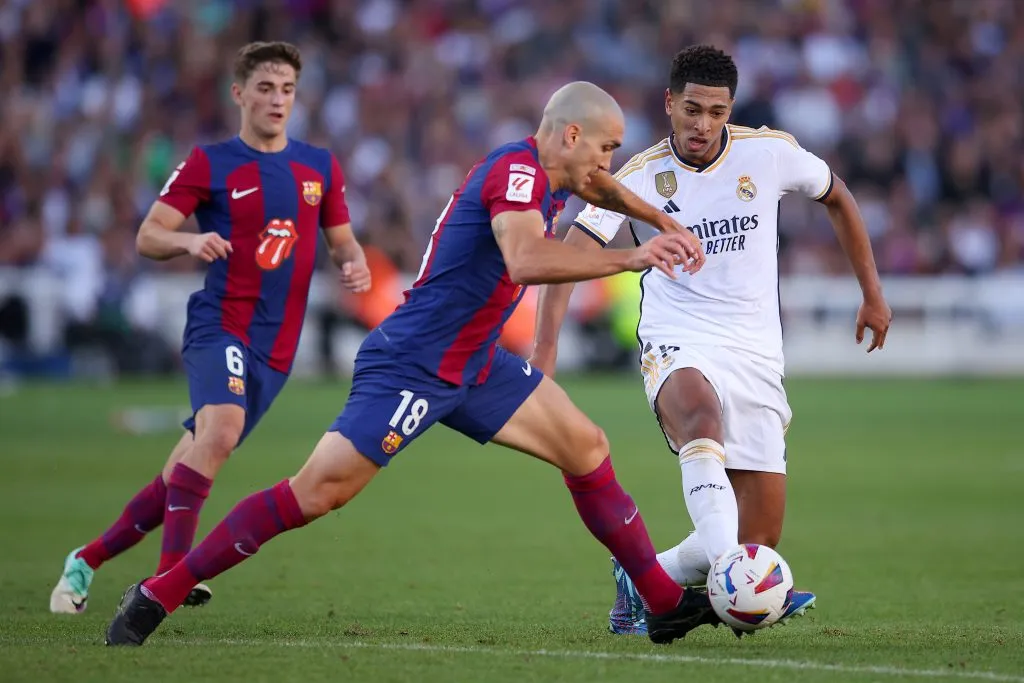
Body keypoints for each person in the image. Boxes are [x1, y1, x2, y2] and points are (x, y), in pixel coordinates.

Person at [104, 81, 716, 647]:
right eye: (607, 147)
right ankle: (161, 591)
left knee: (587, 447)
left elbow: (599, 188)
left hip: (475, 363)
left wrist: (659, 219)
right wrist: (633, 259)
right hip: (414, 364)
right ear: (572, 136)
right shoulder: (518, 174)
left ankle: (661, 602)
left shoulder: (555, 171)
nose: (609, 163)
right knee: (316, 493)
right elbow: (527, 260)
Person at [529, 45, 893, 635]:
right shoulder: (640, 174)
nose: (702, 125)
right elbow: (573, 252)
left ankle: (644, 575)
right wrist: (544, 353)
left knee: (760, 539)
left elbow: (838, 197)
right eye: (692, 109)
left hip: (755, 351)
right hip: (678, 338)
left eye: (716, 112)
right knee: (702, 425)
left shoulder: (769, 154)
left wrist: (872, 294)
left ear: (731, 109)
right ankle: (730, 575)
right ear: (669, 104)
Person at [50, 41, 371, 614]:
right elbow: (149, 234)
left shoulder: (319, 167)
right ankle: (166, 580)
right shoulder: (210, 163)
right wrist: (188, 240)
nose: (277, 100)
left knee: (183, 472)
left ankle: (87, 559)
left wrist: (355, 261)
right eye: (266, 88)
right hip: (219, 327)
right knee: (218, 434)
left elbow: (341, 238)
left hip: (275, 351)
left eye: (287, 89)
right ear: (239, 93)